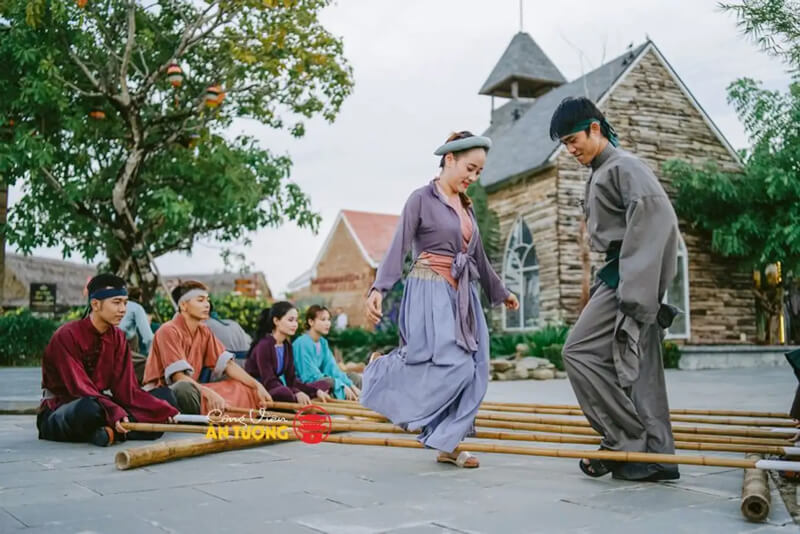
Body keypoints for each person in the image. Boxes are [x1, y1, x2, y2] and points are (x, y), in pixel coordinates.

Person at [362, 131, 519, 469]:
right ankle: (380, 371)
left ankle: (448, 443)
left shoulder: (466, 207)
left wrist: (501, 292)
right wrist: (379, 288)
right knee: (454, 366)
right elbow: (399, 246)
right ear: (450, 159)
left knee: (477, 369)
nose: (473, 178)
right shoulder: (421, 199)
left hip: (463, 294)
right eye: (470, 168)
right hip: (429, 289)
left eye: (478, 172)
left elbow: (477, 256)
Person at [551, 97, 681, 481]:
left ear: (595, 128)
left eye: (573, 140)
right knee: (641, 369)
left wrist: (636, 293)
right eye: (564, 144)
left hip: (627, 281)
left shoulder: (626, 166)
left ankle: (626, 441)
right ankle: (655, 457)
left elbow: (659, 221)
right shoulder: (602, 170)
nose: (571, 150)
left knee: (578, 352)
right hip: (622, 278)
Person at [38, 274, 178, 447]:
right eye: (116, 302)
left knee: (165, 397)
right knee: (89, 409)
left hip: (103, 403)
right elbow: (79, 388)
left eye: (125, 303)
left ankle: (109, 432)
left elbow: (127, 391)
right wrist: (113, 410)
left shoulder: (118, 337)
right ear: (95, 304)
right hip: (64, 408)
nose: (123, 309)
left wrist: (160, 408)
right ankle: (119, 429)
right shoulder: (66, 335)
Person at [142, 281, 271, 414]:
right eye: (200, 300)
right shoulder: (168, 330)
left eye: (207, 300)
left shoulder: (204, 331)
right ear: (183, 305)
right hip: (164, 392)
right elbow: (178, 377)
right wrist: (208, 393)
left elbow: (229, 366)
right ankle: (210, 415)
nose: (207, 305)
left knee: (242, 386)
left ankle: (217, 413)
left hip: (193, 389)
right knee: (184, 388)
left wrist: (257, 385)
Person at [244, 302, 332, 405]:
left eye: (296, 320)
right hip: (259, 389)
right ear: (276, 321)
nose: (295, 324)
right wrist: (296, 393)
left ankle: (302, 398)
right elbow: (269, 381)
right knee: (285, 393)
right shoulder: (264, 345)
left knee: (323, 385)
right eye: (290, 320)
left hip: (275, 387)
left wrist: (316, 391)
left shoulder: (287, 345)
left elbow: (291, 379)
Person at [293, 305, 361, 401]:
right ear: (311, 322)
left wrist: (350, 385)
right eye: (323, 319)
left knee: (355, 378)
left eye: (328, 319)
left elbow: (332, 368)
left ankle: (362, 401)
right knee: (330, 382)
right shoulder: (302, 343)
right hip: (306, 383)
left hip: (321, 378)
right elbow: (308, 375)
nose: (327, 323)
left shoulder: (322, 342)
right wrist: (339, 384)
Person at [118, 286, 153, 383]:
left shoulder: (111, 307)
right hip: (121, 352)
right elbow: (148, 338)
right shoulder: (136, 308)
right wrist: (153, 359)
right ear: (140, 297)